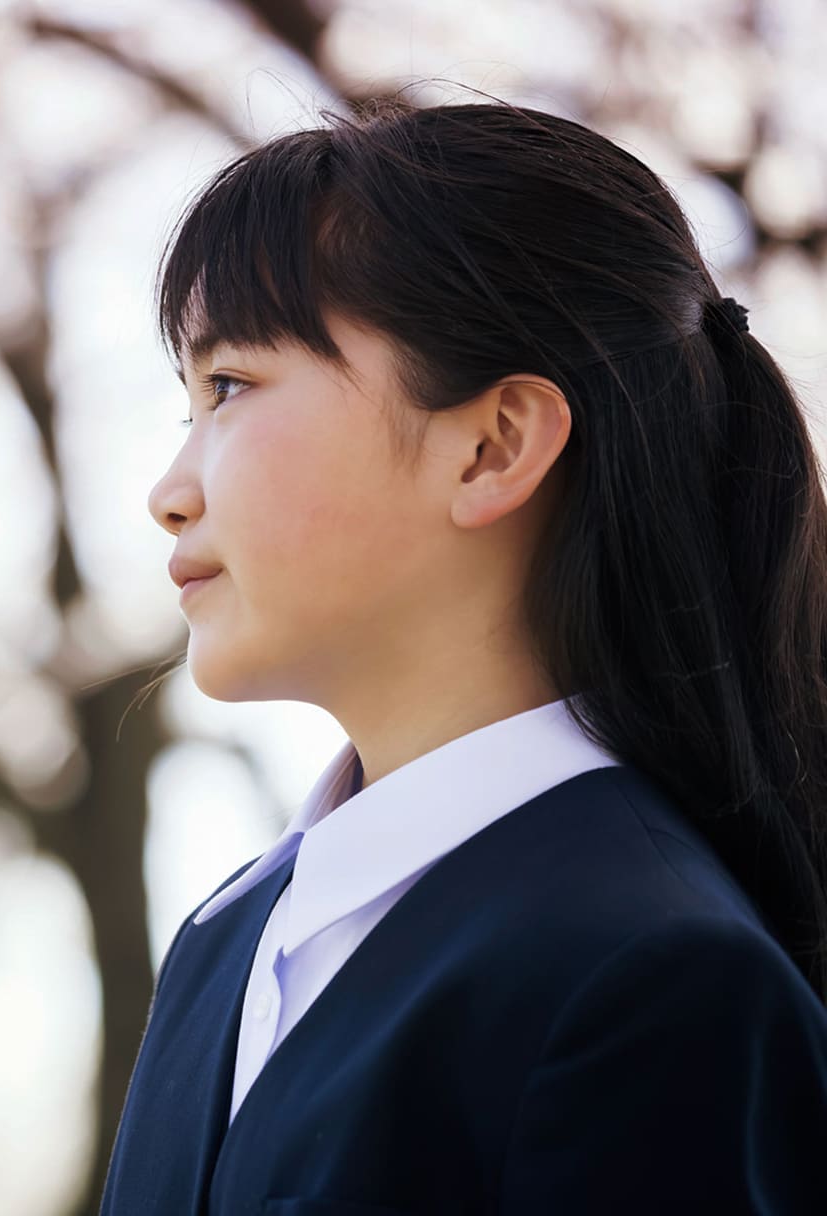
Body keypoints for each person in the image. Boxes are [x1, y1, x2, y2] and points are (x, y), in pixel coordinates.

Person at [101, 96, 827, 1214]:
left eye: (230, 386)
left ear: (492, 446)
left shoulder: (655, 977)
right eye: (185, 405)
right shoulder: (228, 935)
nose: (169, 491)